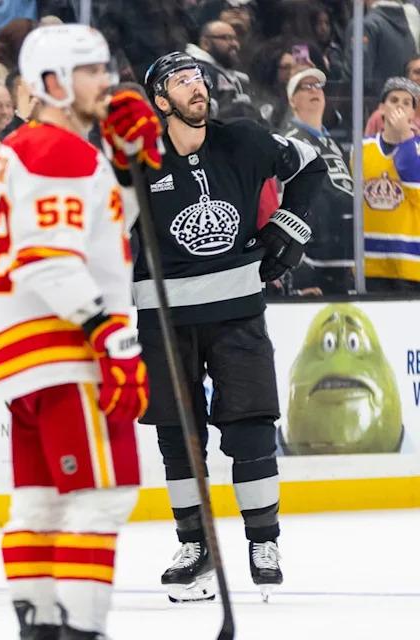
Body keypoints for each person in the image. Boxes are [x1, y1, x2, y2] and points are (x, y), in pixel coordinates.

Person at [0, 22, 152, 640]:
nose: (105, 82)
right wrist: (111, 334)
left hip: (25, 355)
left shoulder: (49, 148)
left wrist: (132, 167)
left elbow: (99, 229)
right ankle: (79, 629)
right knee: (101, 495)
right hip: (65, 348)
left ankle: (43, 625)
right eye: (91, 71)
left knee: (43, 502)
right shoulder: (59, 149)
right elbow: (50, 257)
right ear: (53, 82)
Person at [138, 51, 326, 603]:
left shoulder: (243, 139)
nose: (196, 87)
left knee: (250, 431)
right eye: (180, 81)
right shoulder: (136, 162)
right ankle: (195, 546)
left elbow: (311, 164)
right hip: (164, 319)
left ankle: (263, 542)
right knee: (180, 440)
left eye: (198, 78)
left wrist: (291, 225)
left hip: (238, 309)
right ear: (160, 101)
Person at [281, 67, 355, 295]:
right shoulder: (288, 142)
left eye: (318, 86)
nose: (314, 91)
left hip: (343, 253)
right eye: (306, 87)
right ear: (293, 100)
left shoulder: (331, 142)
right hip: (313, 260)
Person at [363, 77, 420, 293]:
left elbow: (412, 176)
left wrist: (405, 136)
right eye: (394, 100)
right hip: (370, 266)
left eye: (407, 103)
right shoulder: (360, 149)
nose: (400, 106)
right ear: (381, 109)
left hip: (411, 267)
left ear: (413, 114)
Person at [342, 0, 418, 96]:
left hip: (372, 108)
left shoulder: (364, 26)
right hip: (403, 107)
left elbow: (355, 79)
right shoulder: (407, 29)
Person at [365, 56, 420, 136]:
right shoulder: (380, 116)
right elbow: (366, 145)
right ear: (407, 78)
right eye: (417, 72)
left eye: (406, 103)